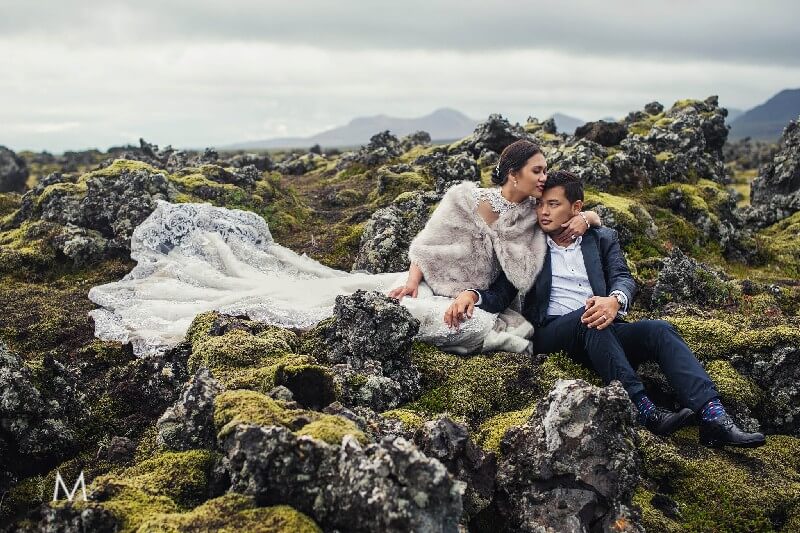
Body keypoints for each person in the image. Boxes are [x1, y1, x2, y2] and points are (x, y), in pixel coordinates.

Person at [87, 141, 601, 358]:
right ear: (513, 172)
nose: (542, 178)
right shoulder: (464, 197)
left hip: (472, 298)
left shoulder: (531, 219)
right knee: (328, 304)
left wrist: (588, 215)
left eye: (544, 174)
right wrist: (412, 280)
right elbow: (426, 243)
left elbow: (569, 223)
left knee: (471, 326)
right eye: (536, 170)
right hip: (430, 285)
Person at [451, 170, 765, 447]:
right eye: (540, 204)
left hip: (606, 328)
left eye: (553, 204)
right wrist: (471, 295)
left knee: (661, 330)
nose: (543, 212)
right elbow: (502, 291)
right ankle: (644, 410)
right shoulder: (527, 245)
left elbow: (623, 278)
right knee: (589, 319)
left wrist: (614, 300)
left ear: (576, 208)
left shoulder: (601, 238)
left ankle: (713, 417)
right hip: (554, 333)